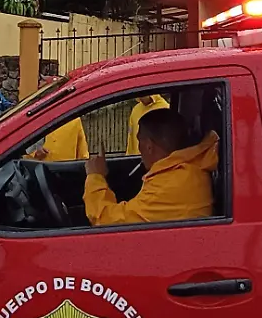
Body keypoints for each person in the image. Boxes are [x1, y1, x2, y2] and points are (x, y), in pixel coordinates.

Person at [83, 108, 218, 226]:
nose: (138, 148)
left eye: (139, 140)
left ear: (148, 146)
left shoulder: (169, 186)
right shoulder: (185, 169)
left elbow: (107, 222)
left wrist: (95, 177)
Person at [28, 75, 90, 162]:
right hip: (42, 171)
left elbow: (82, 155)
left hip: (63, 171)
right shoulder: (35, 118)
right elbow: (22, 152)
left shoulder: (73, 119)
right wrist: (35, 153)